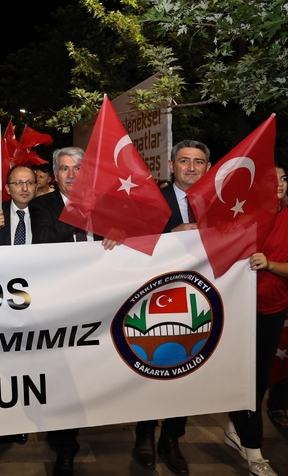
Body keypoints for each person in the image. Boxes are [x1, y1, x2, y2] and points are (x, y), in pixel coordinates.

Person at [30, 147, 116, 476]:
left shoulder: (106, 205)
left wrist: (118, 235)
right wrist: (80, 210)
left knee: (92, 372)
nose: (71, 175)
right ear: (55, 174)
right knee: (64, 377)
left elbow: (123, 240)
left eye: (78, 168)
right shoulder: (42, 205)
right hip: (62, 305)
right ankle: (66, 449)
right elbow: (43, 239)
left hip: (101, 302)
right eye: (64, 169)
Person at [133, 140, 212, 476]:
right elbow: (135, 243)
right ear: (171, 164)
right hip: (157, 301)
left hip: (202, 300)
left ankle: (172, 438)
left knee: (189, 368)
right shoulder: (153, 200)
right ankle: (144, 435)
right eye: (184, 161)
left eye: (198, 161)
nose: (191, 167)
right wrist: (171, 235)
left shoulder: (221, 202)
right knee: (156, 366)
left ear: (208, 167)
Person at [223, 162, 288, 476]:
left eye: (284, 179)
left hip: (271, 310)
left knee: (258, 380)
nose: (279, 184)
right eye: (271, 179)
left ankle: (240, 429)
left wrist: (271, 264)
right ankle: (253, 449)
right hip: (236, 309)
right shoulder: (242, 217)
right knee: (240, 378)